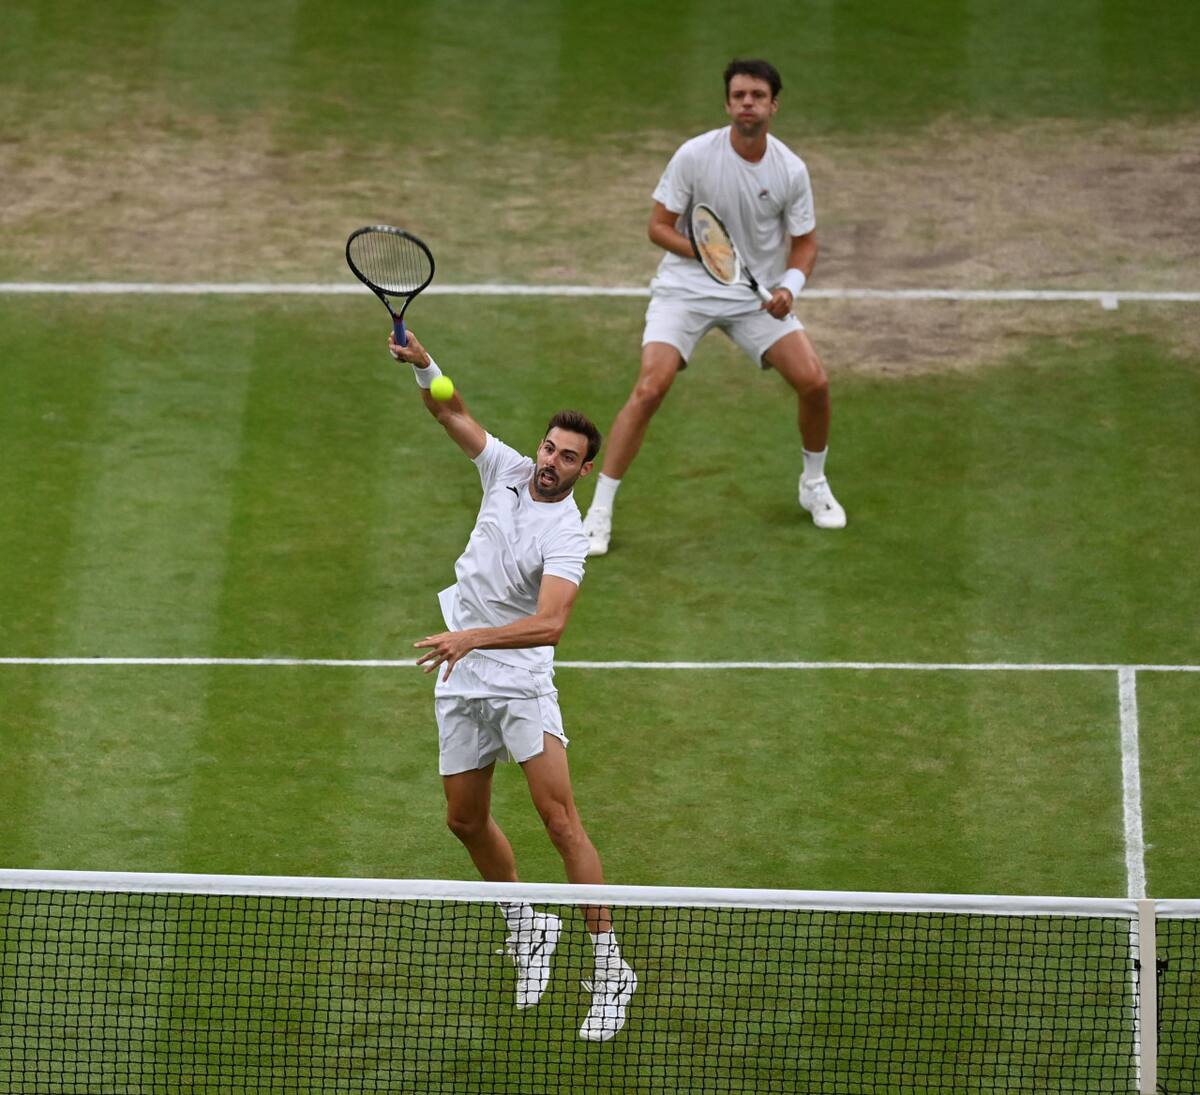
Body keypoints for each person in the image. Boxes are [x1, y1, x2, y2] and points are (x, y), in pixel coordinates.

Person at [387, 327, 637, 1042]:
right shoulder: (502, 469)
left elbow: (551, 624)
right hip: (462, 673)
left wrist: (471, 636)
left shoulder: (567, 532)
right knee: (463, 819)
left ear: (585, 472)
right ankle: (529, 929)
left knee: (561, 822)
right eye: (550, 448)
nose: (552, 463)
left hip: (518, 677)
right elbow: (450, 410)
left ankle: (610, 966)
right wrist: (425, 364)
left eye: (569, 458)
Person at [582, 58, 846, 556]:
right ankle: (599, 511)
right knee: (649, 387)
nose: (748, 103)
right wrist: (706, 254)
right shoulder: (695, 156)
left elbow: (805, 243)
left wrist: (790, 285)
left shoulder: (790, 170)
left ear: (773, 105)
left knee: (815, 382)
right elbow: (658, 226)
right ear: (728, 104)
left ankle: (813, 484)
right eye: (740, 95)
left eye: (758, 96)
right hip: (685, 288)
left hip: (754, 295)